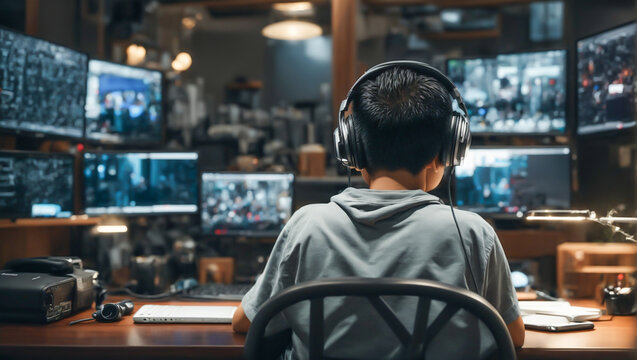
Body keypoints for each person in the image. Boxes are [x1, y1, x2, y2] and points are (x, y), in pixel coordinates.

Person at [232, 62, 525, 359]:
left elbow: (246, 321)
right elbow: (513, 334)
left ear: (352, 150)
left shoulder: (307, 225)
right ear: (448, 150)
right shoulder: (473, 233)